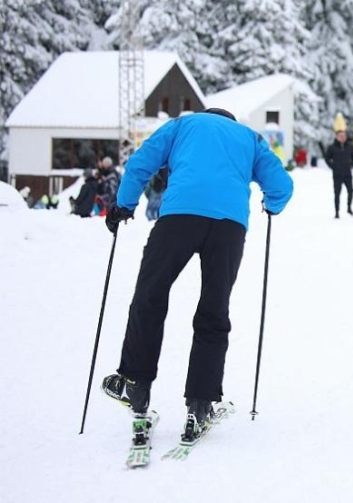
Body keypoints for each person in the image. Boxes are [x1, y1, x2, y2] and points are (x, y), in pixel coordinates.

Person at [101, 108, 293, 440]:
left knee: (150, 295)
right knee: (214, 309)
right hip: (229, 227)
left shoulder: (182, 125)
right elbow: (282, 184)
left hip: (179, 216)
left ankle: (135, 383)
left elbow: (140, 162)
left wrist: (124, 206)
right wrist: (272, 205)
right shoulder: (249, 138)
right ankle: (200, 404)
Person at [324, 129, 353, 219]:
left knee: (351, 191)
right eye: (340, 136)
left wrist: (352, 165)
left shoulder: (350, 146)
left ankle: (349, 207)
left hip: (347, 173)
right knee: (337, 193)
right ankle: (337, 211)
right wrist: (333, 166)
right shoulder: (332, 147)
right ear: (337, 137)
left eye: (344, 136)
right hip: (337, 174)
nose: (342, 138)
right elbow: (327, 158)